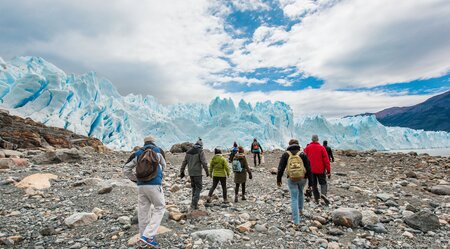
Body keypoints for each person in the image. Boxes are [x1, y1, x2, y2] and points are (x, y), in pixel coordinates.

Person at [123, 135, 166, 248]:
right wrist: (158, 176)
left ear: (144, 142)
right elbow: (164, 165)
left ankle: (143, 238)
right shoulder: (158, 151)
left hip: (141, 186)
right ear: (153, 141)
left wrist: (135, 179)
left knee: (143, 211)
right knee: (160, 207)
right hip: (155, 185)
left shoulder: (137, 153)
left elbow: (126, 169)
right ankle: (148, 236)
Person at [277, 139, 312, 227]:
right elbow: (308, 168)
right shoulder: (302, 154)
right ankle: (300, 210)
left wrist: (279, 179)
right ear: (298, 144)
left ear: (289, 145)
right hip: (303, 178)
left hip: (292, 178)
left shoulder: (286, 154)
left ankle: (296, 222)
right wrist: (311, 182)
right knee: (300, 192)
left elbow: (280, 168)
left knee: (294, 198)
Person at [179, 138, 209, 210]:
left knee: (194, 188)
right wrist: (207, 172)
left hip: (191, 173)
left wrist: (182, 171)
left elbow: (184, 162)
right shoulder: (200, 151)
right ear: (201, 145)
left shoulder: (188, 151)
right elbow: (204, 162)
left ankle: (193, 204)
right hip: (197, 172)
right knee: (199, 188)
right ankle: (194, 204)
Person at [304, 135, 331, 205]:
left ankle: (317, 198)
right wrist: (328, 171)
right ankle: (323, 195)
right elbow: (326, 160)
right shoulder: (321, 148)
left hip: (311, 170)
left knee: (314, 185)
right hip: (321, 170)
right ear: (318, 139)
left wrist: (305, 170)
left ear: (311, 139)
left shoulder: (307, 148)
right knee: (323, 183)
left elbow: (304, 159)